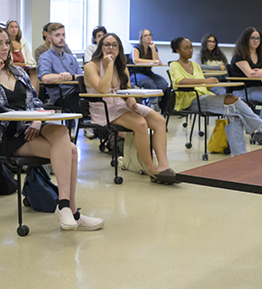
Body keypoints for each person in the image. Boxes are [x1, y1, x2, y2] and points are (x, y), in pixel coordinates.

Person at [0, 26, 104, 231]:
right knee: (72, 151)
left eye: (7, 43)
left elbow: (36, 103)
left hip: (31, 126)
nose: (5, 47)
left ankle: (65, 207)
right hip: (9, 137)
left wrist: (37, 121)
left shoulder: (18, 72)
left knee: (62, 132)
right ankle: (71, 211)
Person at [83, 32, 177, 185]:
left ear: (119, 49)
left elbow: (127, 92)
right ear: (100, 48)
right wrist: (109, 65)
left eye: (114, 45)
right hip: (104, 108)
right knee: (141, 124)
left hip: (121, 105)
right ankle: (151, 168)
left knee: (159, 121)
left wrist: (132, 103)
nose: (110, 48)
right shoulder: (91, 66)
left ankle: (164, 165)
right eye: (107, 45)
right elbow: (102, 89)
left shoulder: (122, 68)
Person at [169, 37, 262, 156]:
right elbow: (180, 82)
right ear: (178, 51)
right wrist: (205, 81)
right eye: (186, 48)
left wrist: (211, 83)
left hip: (204, 96)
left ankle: (239, 155)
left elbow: (205, 88)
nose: (190, 50)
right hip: (191, 101)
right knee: (233, 99)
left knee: (235, 114)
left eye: (191, 47)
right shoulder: (175, 65)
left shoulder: (195, 65)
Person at [37, 22, 82, 116]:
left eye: (63, 35)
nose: (62, 38)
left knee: (98, 100)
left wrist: (72, 77)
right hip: (62, 96)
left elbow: (81, 76)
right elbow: (45, 78)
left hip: (78, 92)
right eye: (57, 35)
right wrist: (63, 77)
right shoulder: (45, 57)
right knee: (82, 103)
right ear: (49, 38)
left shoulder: (71, 58)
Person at [129, 28, 169, 111]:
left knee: (163, 83)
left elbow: (156, 61)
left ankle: (154, 102)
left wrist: (153, 48)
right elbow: (136, 60)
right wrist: (152, 61)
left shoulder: (153, 47)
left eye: (150, 35)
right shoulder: (136, 47)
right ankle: (152, 104)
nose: (148, 37)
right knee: (150, 83)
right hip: (135, 73)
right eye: (146, 35)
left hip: (147, 72)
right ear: (141, 38)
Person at [5, 19, 38, 94]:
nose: (14, 29)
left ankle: (33, 95)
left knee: (35, 71)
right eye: (11, 27)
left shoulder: (23, 42)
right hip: (12, 69)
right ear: (7, 29)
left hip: (24, 69)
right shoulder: (5, 43)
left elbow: (29, 58)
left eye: (16, 27)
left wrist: (31, 66)